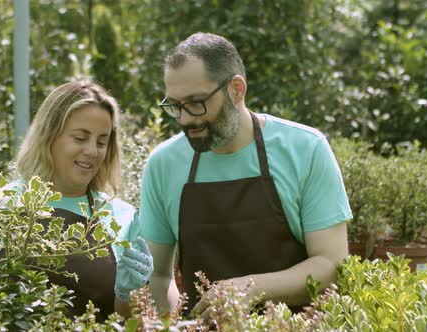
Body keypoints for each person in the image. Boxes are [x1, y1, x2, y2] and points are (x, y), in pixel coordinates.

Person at [139, 32, 352, 319]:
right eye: (175, 105)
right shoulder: (163, 164)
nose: (185, 119)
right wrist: (171, 323)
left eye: (196, 103)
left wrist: (249, 288)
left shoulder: (305, 149)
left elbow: (331, 264)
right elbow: (158, 277)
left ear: (236, 90)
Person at [0, 80, 153, 320]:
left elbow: (128, 323)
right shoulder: (1, 205)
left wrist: (127, 294)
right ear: (49, 136)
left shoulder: (122, 216)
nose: (92, 151)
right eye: (80, 138)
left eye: (102, 141)